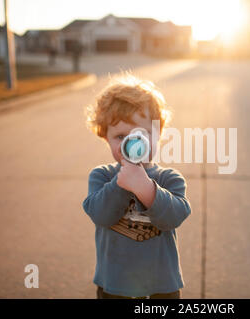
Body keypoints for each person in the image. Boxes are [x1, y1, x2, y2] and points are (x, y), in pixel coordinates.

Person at [82, 71, 191, 299]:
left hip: (161, 286)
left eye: (142, 133)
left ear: (159, 134)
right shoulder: (101, 177)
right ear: (105, 137)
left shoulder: (169, 179)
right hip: (114, 285)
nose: (133, 143)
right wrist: (122, 182)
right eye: (121, 136)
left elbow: (174, 217)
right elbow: (101, 215)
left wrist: (147, 189)